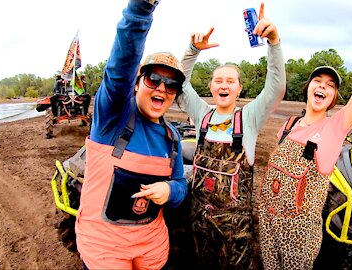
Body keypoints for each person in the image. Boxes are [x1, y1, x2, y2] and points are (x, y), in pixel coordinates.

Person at [257, 5, 352, 270]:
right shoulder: (288, 125)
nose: (323, 87)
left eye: (330, 86)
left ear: (333, 98)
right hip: (268, 222)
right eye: (318, 81)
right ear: (308, 88)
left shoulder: (336, 128)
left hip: (300, 235)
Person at [74, 0, 188, 269]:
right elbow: (120, 67)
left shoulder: (172, 138)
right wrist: (141, 8)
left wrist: (169, 190)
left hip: (152, 249)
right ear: (137, 83)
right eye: (153, 79)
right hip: (105, 250)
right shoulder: (113, 119)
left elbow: (181, 185)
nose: (161, 87)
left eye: (171, 85)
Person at [176, 3, 286, 269]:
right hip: (200, 221)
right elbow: (179, 84)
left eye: (230, 81)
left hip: (236, 230)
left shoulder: (249, 117)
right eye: (218, 80)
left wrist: (274, 42)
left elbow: (276, 87)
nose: (223, 85)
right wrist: (192, 51)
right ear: (211, 86)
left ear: (239, 88)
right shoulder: (201, 114)